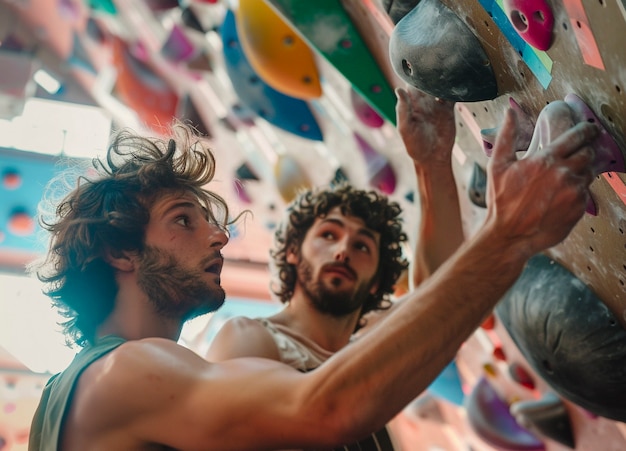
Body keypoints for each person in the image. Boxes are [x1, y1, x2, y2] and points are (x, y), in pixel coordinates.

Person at [28, 86, 598, 450]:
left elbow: (424, 315)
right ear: (120, 251)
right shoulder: (121, 376)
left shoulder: (115, 383)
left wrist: (432, 165)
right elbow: (323, 409)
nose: (220, 235)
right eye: (183, 219)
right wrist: (507, 235)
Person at [204, 86, 464, 450]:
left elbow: (438, 297)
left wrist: (433, 162)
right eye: (329, 234)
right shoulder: (251, 338)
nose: (343, 250)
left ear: (376, 283)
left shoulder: (363, 352)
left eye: (362, 246)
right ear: (293, 253)